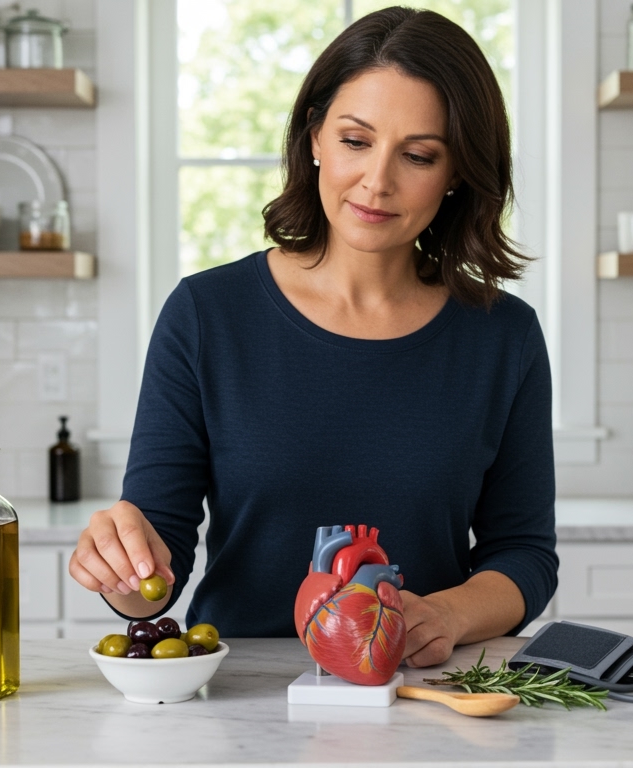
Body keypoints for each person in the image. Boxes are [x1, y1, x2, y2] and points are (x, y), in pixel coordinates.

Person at [68, 6, 557, 668]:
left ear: (456, 175)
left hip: (419, 688)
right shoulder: (206, 314)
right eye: (356, 141)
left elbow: (523, 552)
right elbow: (158, 569)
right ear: (316, 138)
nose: (377, 181)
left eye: (417, 155)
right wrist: (122, 570)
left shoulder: (503, 336)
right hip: (239, 691)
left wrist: (447, 614)